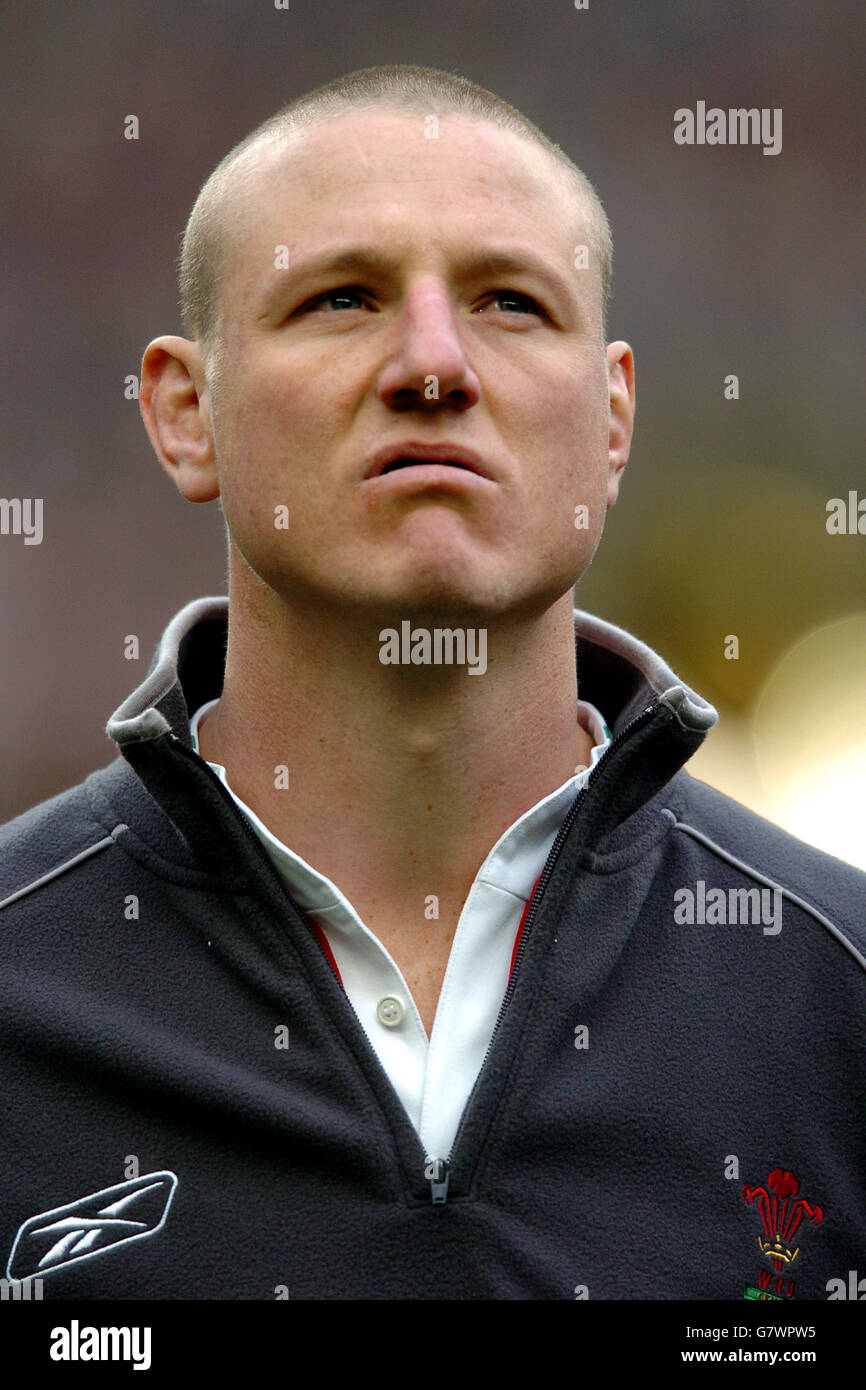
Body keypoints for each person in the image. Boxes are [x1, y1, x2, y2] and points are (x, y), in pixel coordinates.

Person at [1, 65, 864, 1302]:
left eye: (509, 301)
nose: (432, 364)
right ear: (184, 411)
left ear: (612, 419)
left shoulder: (836, 999)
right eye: (342, 297)